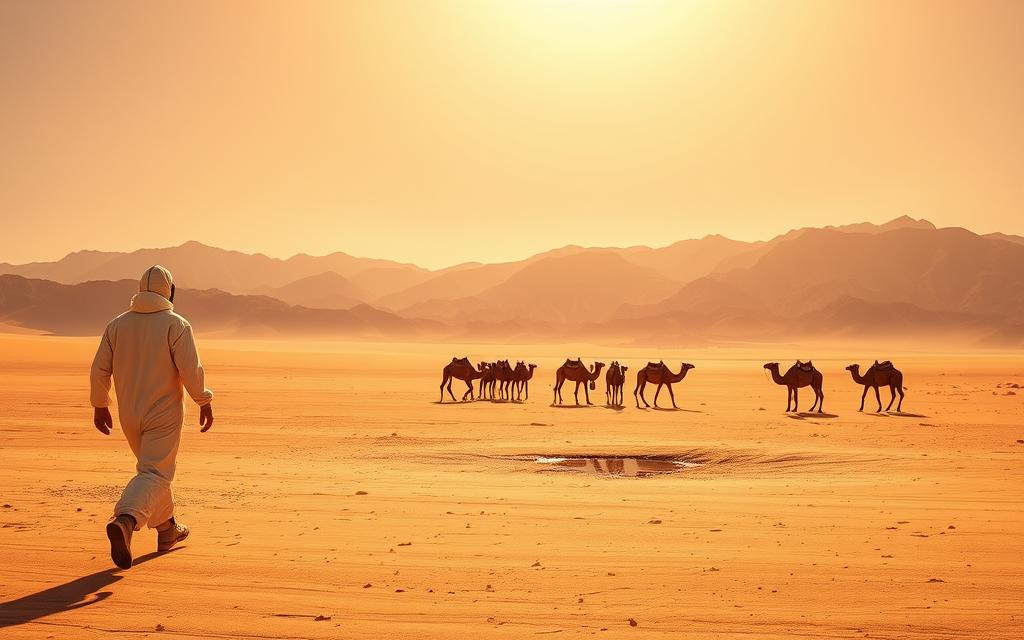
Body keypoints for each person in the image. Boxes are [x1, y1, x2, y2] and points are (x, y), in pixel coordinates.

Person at [90, 265, 214, 569]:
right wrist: (204, 400)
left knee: (152, 472)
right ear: (169, 291)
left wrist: (99, 404)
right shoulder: (176, 325)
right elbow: (190, 369)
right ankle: (126, 519)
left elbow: (99, 369)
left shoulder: (117, 325)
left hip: (129, 414)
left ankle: (167, 529)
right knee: (155, 474)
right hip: (164, 413)